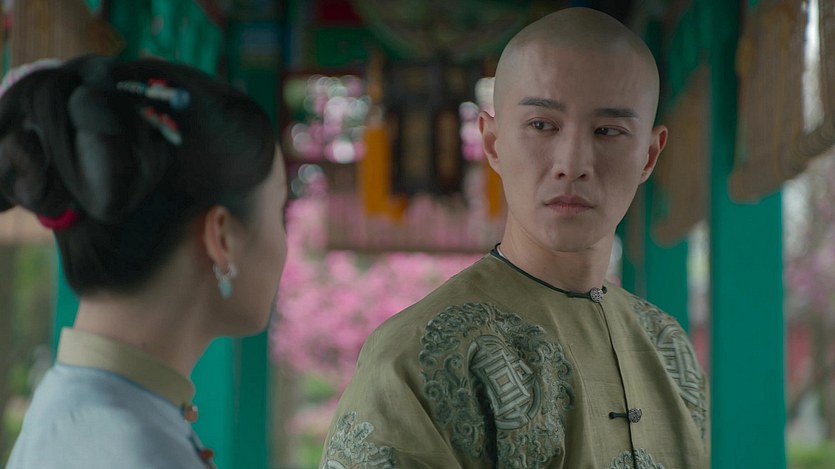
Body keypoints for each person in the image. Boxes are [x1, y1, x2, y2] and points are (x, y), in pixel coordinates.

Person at [320, 7, 708, 469]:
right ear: (492, 142)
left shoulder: (667, 346)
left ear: (648, 155)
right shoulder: (415, 356)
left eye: (608, 131)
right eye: (542, 125)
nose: (572, 164)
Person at [2, 55, 287, 468]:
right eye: (278, 211)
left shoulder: (82, 412)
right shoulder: (138, 449)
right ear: (221, 237)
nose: (284, 244)